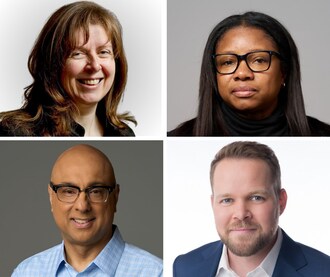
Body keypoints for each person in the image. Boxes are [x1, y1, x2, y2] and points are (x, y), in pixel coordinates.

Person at [173, 141, 330, 276]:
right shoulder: (184, 268)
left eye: (256, 198)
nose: (241, 214)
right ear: (213, 204)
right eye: (227, 200)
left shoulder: (324, 271)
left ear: (281, 202)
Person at [168, 11, 330, 136]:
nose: (242, 73)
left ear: (284, 72)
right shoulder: (176, 141)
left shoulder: (323, 138)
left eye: (259, 60)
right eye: (228, 62)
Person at [12, 144, 162, 276]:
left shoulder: (157, 273)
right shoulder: (26, 272)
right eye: (69, 191)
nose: (82, 206)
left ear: (115, 197)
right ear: (51, 197)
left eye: (96, 191)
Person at [0, 1, 136, 136]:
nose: (95, 65)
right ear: (52, 63)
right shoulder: (14, 134)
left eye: (103, 52)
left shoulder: (123, 134)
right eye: (78, 54)